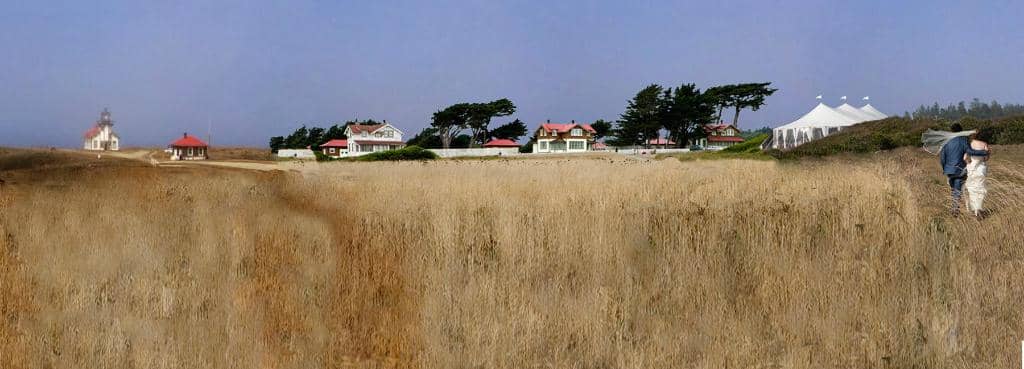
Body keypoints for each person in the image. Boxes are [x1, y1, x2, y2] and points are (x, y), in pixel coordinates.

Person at [934, 123, 989, 217]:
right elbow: (970, 152)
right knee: (957, 189)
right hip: (960, 169)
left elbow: (942, 158)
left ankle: (955, 208)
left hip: (949, 170)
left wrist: (944, 168)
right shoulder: (963, 140)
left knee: (954, 189)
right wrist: (984, 152)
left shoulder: (946, 142)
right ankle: (957, 209)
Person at [964, 128, 993, 219]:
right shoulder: (984, 144)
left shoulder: (970, 144)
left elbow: (965, 158)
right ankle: (978, 210)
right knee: (980, 188)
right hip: (981, 168)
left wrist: (969, 162)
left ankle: (975, 210)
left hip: (972, 168)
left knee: (972, 189)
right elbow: (986, 158)